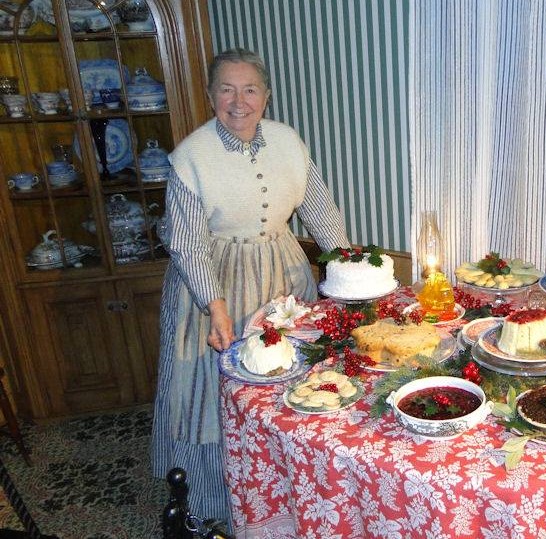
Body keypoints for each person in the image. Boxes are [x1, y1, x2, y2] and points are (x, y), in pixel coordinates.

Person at [150, 48, 350, 526]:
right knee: (210, 392)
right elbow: (187, 244)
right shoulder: (191, 156)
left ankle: (288, 497)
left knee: (293, 384)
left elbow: (320, 210)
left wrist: (348, 269)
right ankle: (212, 504)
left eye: (250, 89)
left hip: (284, 276)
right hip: (214, 282)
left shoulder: (288, 141)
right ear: (210, 94)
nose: (238, 101)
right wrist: (215, 308)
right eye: (226, 88)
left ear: (267, 96)